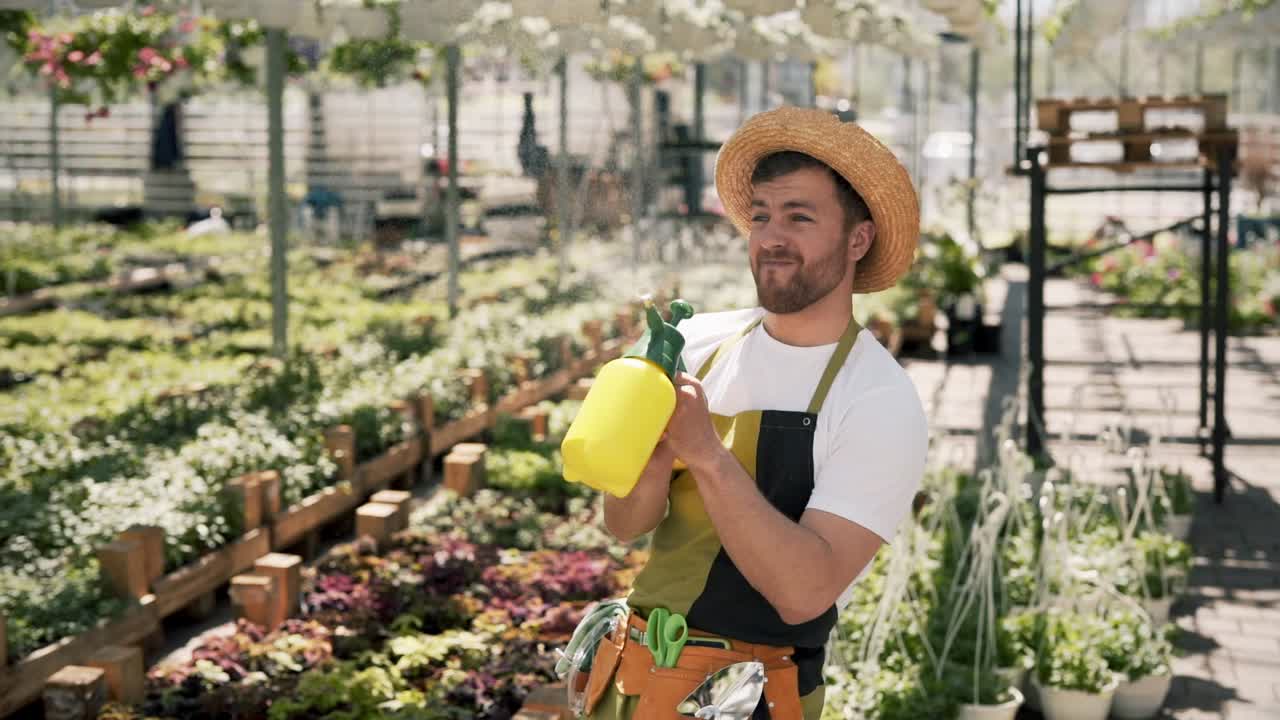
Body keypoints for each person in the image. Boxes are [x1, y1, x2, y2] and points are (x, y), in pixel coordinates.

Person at [579, 107, 929, 720]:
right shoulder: (699, 346)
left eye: (799, 217)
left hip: (749, 697)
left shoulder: (878, 400)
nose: (771, 237)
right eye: (761, 216)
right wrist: (654, 446)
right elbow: (626, 523)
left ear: (857, 239)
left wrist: (707, 455)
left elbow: (804, 592)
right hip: (632, 678)